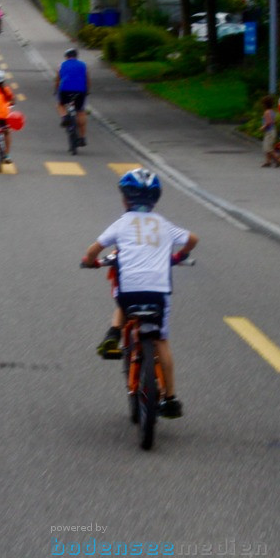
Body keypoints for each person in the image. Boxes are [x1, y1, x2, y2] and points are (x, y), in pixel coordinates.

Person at [82, 168, 199, 418]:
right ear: (156, 199)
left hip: (130, 292)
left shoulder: (122, 223)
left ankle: (114, 333)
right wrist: (179, 256)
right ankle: (170, 398)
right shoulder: (163, 224)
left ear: (125, 199)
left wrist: (89, 260)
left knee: (123, 304)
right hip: (158, 292)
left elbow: (94, 250)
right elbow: (192, 239)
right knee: (161, 341)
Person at [54, 48, 89, 147]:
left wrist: (56, 90)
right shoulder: (83, 65)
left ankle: (65, 117)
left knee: (60, 104)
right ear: (76, 56)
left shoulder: (61, 65)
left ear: (66, 56)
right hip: (80, 90)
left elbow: (58, 79)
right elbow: (87, 79)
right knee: (80, 112)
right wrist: (87, 91)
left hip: (65, 89)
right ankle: (82, 138)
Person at [260, 95, 280, 167]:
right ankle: (268, 161)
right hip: (273, 130)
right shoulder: (272, 111)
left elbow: (268, 122)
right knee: (268, 146)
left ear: (264, 104)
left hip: (269, 131)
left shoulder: (266, 112)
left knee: (268, 148)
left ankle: (277, 160)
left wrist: (263, 127)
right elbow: (274, 121)